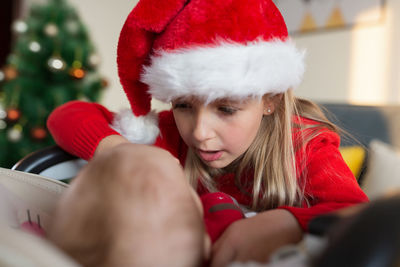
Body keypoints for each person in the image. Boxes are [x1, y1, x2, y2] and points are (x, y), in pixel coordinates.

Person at [46, 0, 368, 266]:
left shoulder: (303, 146)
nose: (199, 133)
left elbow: (358, 213)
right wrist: (120, 150)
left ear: (269, 101)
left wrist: (286, 222)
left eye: (226, 110)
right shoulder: (169, 136)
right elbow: (67, 116)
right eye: (183, 106)